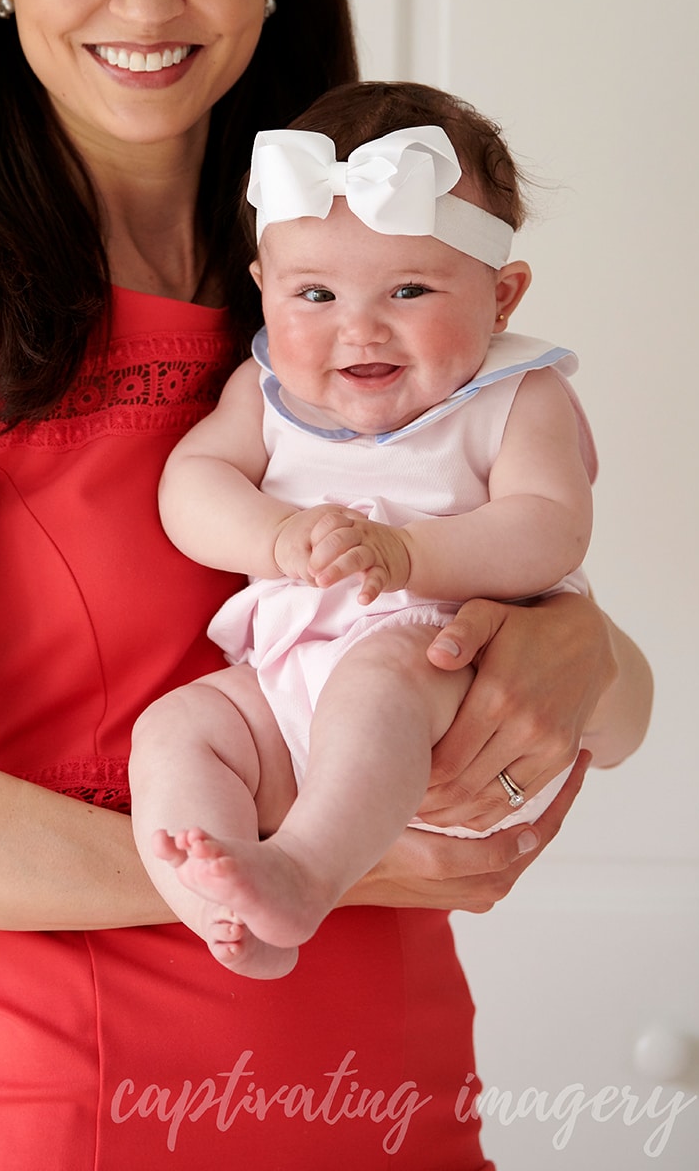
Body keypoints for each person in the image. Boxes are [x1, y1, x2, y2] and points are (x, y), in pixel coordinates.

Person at [0, 0, 652, 1170]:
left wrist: (587, 654)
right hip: (84, 1109)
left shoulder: (376, 297)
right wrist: (346, 865)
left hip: (399, 1098)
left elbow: (612, 717)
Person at [133, 81, 608, 982]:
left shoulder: (517, 395)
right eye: (314, 292)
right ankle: (227, 912)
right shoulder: (267, 391)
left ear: (502, 298)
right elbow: (190, 487)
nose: (360, 327)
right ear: (263, 288)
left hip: (448, 681)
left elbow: (550, 529)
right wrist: (276, 539)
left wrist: (412, 555)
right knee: (181, 727)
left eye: (409, 288)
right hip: (285, 686)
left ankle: (303, 872)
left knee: (381, 677)